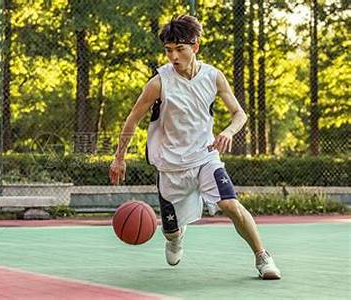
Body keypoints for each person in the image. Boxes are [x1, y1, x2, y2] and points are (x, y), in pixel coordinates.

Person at [109, 15, 281, 280]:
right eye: (169, 50)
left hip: (205, 157)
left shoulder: (213, 77)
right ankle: (176, 238)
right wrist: (119, 158)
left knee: (230, 204)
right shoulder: (159, 83)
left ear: (195, 46)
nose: (173, 56)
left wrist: (227, 131)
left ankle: (263, 257)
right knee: (171, 231)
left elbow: (239, 114)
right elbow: (132, 120)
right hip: (170, 166)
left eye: (180, 49)